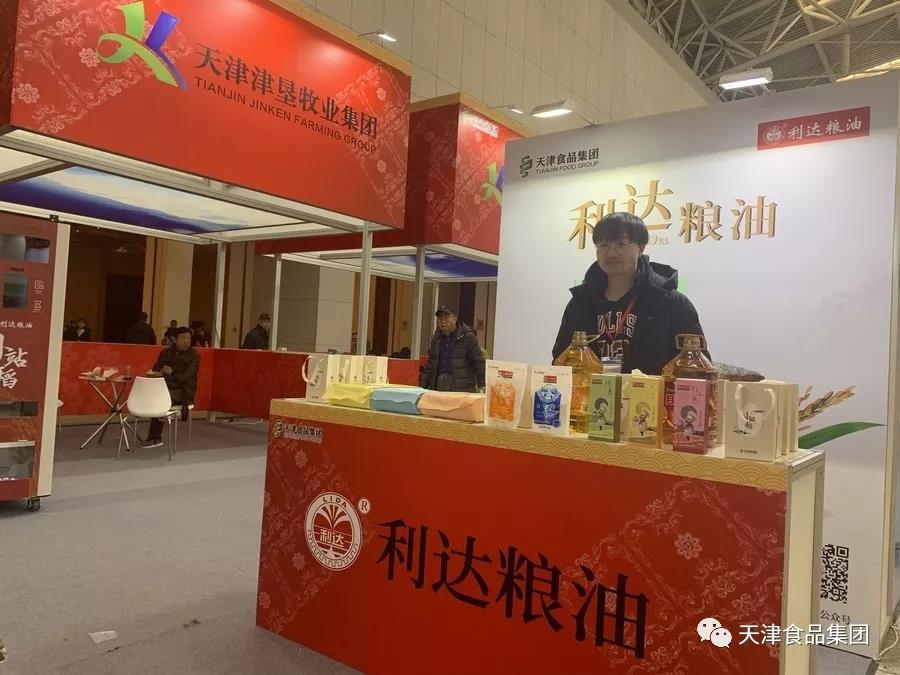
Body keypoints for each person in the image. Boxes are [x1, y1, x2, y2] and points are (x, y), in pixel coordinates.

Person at [552, 212, 706, 376]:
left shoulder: (670, 302)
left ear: (641, 247)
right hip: (589, 392)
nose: (611, 252)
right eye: (603, 245)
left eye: (621, 244)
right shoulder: (581, 302)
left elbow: (696, 368)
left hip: (650, 392)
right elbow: (561, 362)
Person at [144, 327, 199, 449]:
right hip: (164, 387)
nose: (186, 341)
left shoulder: (194, 356)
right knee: (150, 391)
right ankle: (153, 426)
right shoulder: (165, 353)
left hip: (184, 391)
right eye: (183, 337)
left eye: (189, 338)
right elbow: (156, 370)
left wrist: (171, 373)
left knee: (160, 397)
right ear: (174, 339)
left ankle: (155, 437)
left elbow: (187, 377)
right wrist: (161, 370)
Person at [419, 306, 485, 392]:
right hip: (439, 383)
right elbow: (430, 364)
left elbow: (479, 362)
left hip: (461, 386)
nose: (443, 321)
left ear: (455, 318)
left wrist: (482, 385)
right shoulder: (436, 338)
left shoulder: (467, 337)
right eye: (440, 319)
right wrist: (421, 386)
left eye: (446, 318)